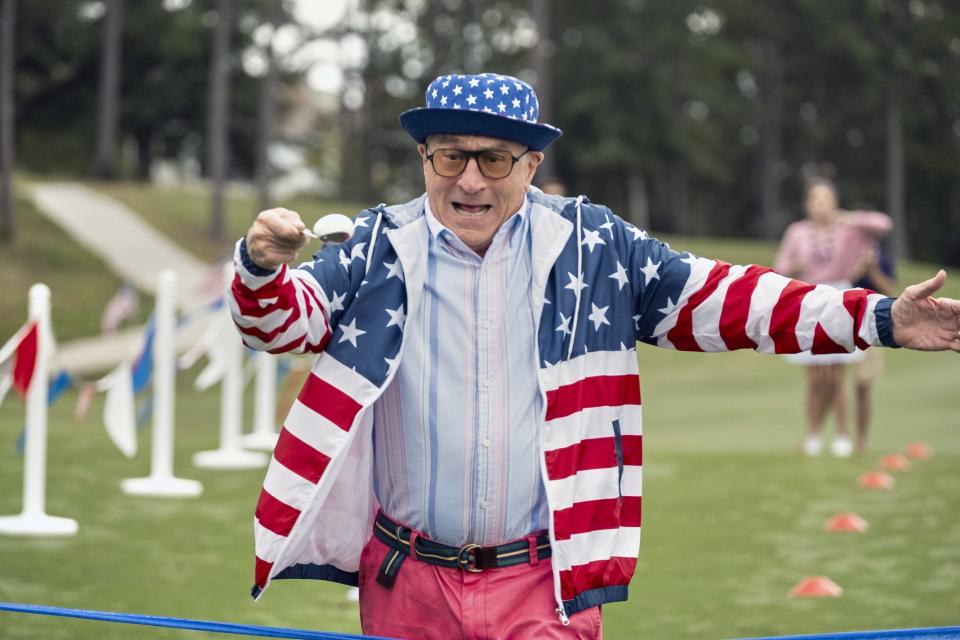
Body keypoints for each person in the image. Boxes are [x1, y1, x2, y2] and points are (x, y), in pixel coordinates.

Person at [230, 72, 960, 639]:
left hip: (543, 581)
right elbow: (279, 326)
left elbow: (730, 299)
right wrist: (260, 269)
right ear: (425, 156)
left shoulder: (593, 245)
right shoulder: (375, 246)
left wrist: (884, 318)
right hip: (405, 579)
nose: (470, 180)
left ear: (532, 162)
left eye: (494, 158)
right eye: (450, 156)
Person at [773, 178, 892, 457]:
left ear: (835, 203)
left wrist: (848, 217)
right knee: (815, 378)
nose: (821, 206)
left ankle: (841, 435)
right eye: (816, 200)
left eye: (826, 200)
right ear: (807, 204)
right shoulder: (797, 231)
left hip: (839, 296)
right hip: (806, 297)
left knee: (838, 375)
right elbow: (780, 266)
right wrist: (795, 266)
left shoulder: (848, 229)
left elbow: (883, 224)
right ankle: (813, 435)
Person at [850, 240, 897, 453]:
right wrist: (859, 267)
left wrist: (873, 269)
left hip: (870, 329)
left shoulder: (883, 261)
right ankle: (838, 438)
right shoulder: (848, 256)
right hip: (843, 324)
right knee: (832, 383)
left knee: (862, 386)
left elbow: (889, 290)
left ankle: (860, 441)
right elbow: (841, 282)